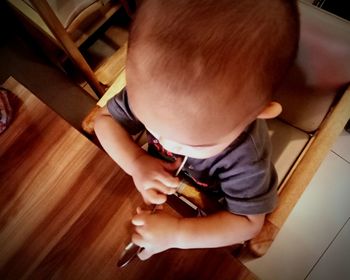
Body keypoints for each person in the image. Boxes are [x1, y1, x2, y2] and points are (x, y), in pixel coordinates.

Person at [94, 0, 300, 260]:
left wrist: (179, 234)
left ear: (257, 114)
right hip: (159, 180)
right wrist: (135, 162)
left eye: (194, 144)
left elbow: (248, 222)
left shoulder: (247, 156)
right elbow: (103, 121)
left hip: (212, 202)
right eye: (152, 127)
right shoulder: (155, 92)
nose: (166, 144)